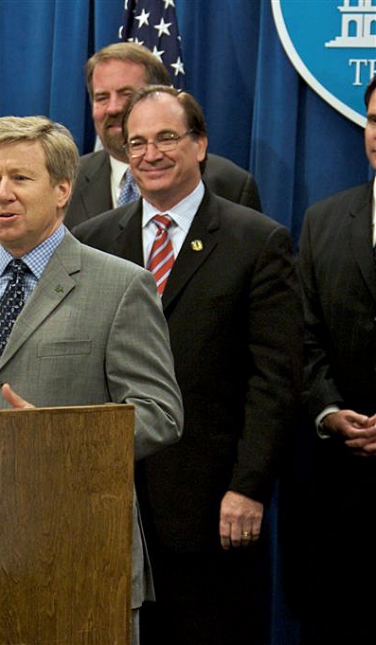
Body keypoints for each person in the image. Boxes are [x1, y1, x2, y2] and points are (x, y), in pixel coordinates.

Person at [0, 115, 183, 644]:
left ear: (62, 190)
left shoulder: (121, 286)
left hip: (77, 553)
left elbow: (161, 414)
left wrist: (60, 433)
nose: (1, 195)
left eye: (20, 179)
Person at [73, 86, 301, 645]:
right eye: (137, 143)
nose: (150, 154)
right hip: (111, 503)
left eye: (167, 138)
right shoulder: (93, 242)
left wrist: (249, 487)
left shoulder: (256, 240)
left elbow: (274, 381)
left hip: (213, 510)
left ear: (199, 145)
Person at [296, 75, 376, 645]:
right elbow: (303, 334)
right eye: (375, 120)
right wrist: (326, 408)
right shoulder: (324, 220)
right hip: (340, 485)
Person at [65, 42, 260, 229]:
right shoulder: (67, 182)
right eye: (102, 97)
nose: (113, 108)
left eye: (126, 94)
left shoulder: (231, 185)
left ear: (158, 95)